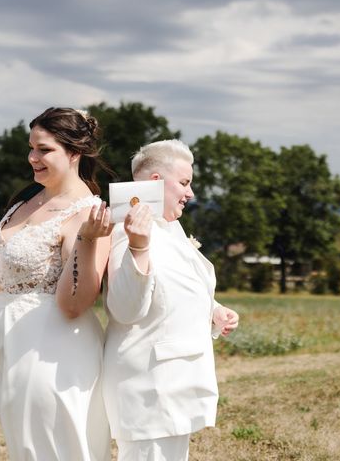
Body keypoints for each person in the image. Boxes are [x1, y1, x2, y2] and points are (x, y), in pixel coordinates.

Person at [0, 107, 113, 461]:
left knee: (49, 445)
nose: (32, 157)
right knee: (22, 442)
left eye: (44, 149)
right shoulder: (27, 199)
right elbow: (11, 272)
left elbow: (75, 304)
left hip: (51, 346)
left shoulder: (88, 214)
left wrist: (86, 240)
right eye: (31, 147)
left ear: (75, 152)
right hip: (6, 336)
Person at [103, 139, 240, 461]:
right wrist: (138, 246)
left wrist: (214, 311)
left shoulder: (170, 228)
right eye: (184, 182)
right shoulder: (127, 233)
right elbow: (125, 309)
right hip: (151, 387)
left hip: (173, 384)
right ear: (154, 183)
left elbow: (175, 291)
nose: (190, 193)